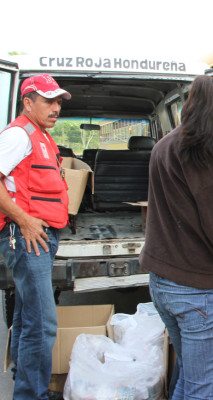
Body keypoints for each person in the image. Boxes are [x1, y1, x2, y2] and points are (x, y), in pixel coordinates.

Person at [139, 75, 213, 400]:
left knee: (189, 384)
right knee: (201, 392)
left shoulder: (167, 143)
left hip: (163, 284)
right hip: (200, 293)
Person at [0, 74, 71, 399]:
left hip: (39, 236)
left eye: (58, 101)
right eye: (48, 101)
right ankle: (32, 394)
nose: (56, 107)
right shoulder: (20, 135)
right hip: (27, 237)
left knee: (28, 317)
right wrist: (25, 221)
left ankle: (24, 385)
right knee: (42, 324)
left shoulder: (42, 135)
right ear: (28, 102)